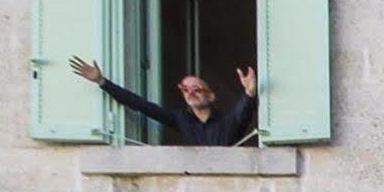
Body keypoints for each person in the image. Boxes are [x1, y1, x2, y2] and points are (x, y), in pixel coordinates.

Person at [67, 56, 258, 147]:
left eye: (197, 89)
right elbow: (140, 105)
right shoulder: (182, 119)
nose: (190, 93)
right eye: (185, 89)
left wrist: (249, 92)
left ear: (210, 96)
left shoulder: (228, 121)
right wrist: (102, 82)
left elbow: (244, 111)